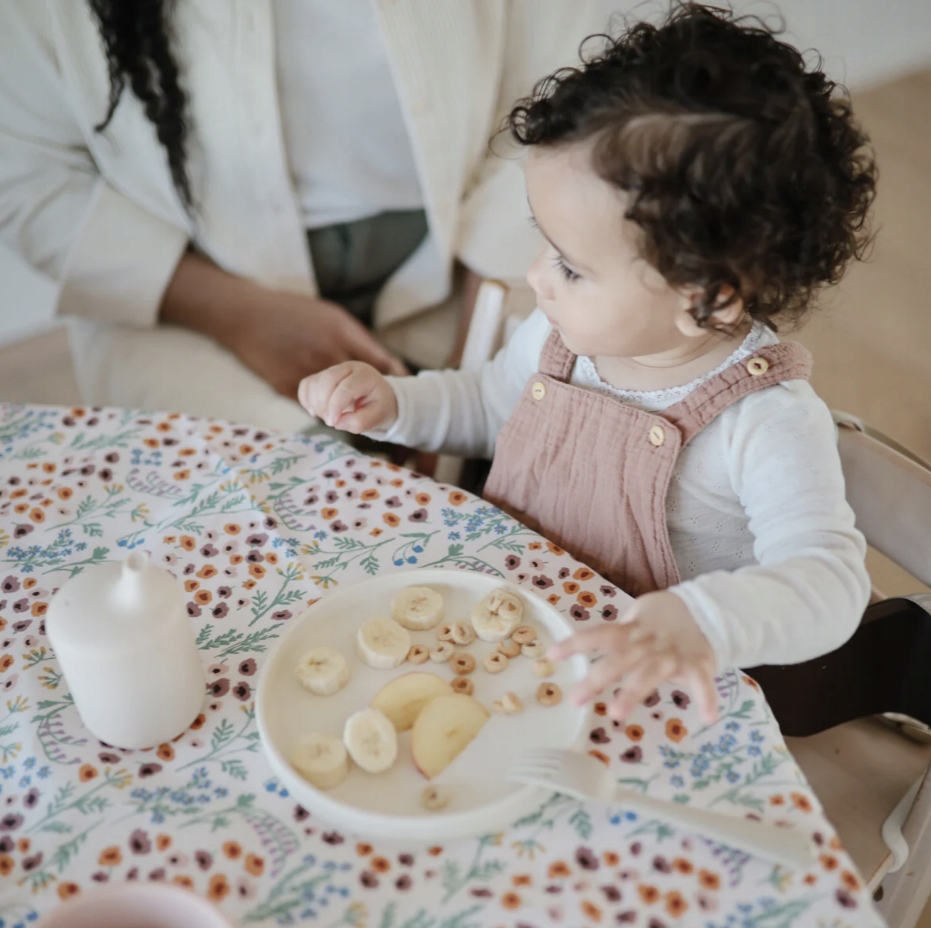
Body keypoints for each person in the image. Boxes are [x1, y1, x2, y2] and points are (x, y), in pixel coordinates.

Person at [298, 4, 877, 721]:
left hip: (638, 691)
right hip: (502, 635)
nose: (536, 278)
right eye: (545, 245)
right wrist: (396, 405)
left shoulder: (762, 421)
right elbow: (485, 408)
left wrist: (701, 620)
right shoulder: (559, 335)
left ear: (708, 298)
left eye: (571, 267)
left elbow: (829, 582)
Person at [0, 1, 605, 432]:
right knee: (266, 500)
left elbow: (558, 94)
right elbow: (24, 174)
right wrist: (236, 314)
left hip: (466, 261)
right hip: (185, 286)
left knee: (532, 442)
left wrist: (467, 367)